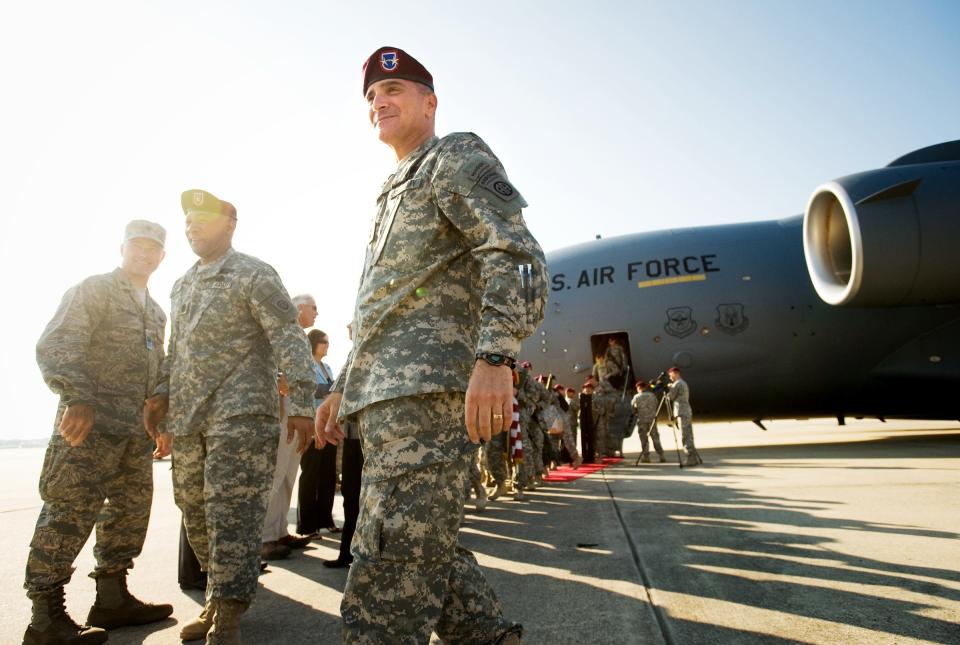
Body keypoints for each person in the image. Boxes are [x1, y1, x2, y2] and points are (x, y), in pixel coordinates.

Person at [315, 46, 545, 644]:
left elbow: (518, 257)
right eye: (371, 97)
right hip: (387, 402)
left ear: (429, 102)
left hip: (430, 397)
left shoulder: (453, 156)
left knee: (387, 568)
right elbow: (381, 308)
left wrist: (495, 357)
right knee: (421, 546)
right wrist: (343, 387)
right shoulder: (392, 187)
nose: (379, 102)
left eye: (393, 91)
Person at [144, 189, 316, 644]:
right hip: (189, 420)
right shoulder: (182, 284)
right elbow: (175, 350)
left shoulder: (253, 274)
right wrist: (160, 395)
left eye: (201, 218)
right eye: (187, 221)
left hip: (240, 416)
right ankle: (218, 597)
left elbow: (288, 337)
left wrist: (301, 403)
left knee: (232, 515)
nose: (191, 226)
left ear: (229, 225)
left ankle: (230, 616)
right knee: (194, 511)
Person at [25, 220, 173, 645]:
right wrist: (78, 397)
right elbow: (57, 343)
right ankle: (44, 619)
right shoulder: (95, 290)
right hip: (88, 428)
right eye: (137, 246)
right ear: (122, 248)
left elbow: (157, 370)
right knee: (68, 515)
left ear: (162, 257)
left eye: (153, 249)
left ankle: (111, 599)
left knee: (126, 515)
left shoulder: (155, 310)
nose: (144, 255)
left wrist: (158, 424)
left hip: (133, 433)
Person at [297, 327, 341, 537]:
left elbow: (329, 392)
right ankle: (307, 524)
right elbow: (312, 390)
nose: (327, 345)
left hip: (327, 428)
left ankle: (326, 519)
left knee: (328, 475)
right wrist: (331, 392)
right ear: (313, 342)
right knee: (310, 474)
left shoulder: (328, 368)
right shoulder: (306, 365)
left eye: (328, 342)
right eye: (323, 341)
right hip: (313, 427)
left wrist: (330, 392)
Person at [666, 366, 703, 466]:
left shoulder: (677, 384)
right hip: (686, 411)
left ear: (675, 373)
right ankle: (694, 458)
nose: (670, 377)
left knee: (685, 436)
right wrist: (671, 387)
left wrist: (668, 391)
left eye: (671, 375)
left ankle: (690, 459)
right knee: (689, 435)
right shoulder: (682, 383)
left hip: (682, 412)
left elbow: (671, 397)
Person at [631, 381, 665, 463]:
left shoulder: (636, 397)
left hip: (642, 421)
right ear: (645, 387)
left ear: (638, 388)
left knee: (643, 438)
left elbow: (633, 409)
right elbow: (656, 404)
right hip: (652, 420)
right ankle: (661, 455)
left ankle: (646, 456)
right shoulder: (652, 395)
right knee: (655, 437)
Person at [579, 380, 596, 464]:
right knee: (583, 439)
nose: (588, 390)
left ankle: (591, 457)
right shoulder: (581, 398)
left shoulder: (595, 398)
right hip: (583, 421)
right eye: (586, 388)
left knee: (591, 439)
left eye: (590, 389)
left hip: (592, 421)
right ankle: (584, 456)